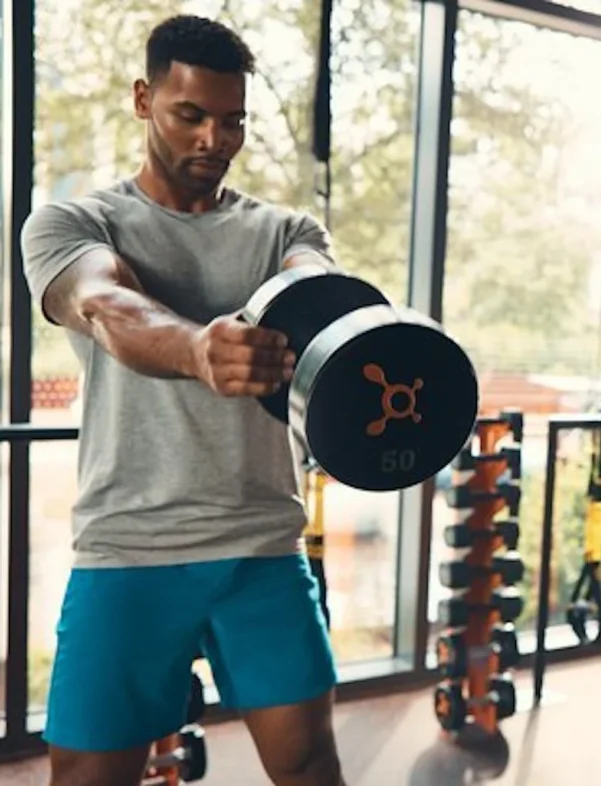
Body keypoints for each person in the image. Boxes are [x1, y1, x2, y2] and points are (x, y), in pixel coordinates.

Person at [20, 15, 346, 786]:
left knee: (309, 766)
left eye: (233, 121)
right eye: (190, 115)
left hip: (262, 548)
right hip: (131, 548)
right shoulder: (77, 222)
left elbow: (317, 292)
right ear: (144, 100)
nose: (214, 140)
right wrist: (201, 349)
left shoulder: (285, 230)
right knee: (88, 777)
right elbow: (104, 303)